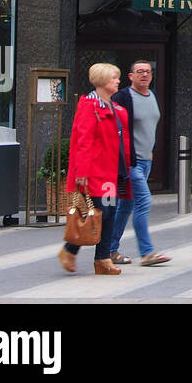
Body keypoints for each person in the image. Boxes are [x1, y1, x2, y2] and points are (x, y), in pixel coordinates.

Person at [58, 63, 132, 275]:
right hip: (95, 172)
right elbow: (84, 140)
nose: (118, 81)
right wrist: (81, 172)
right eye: (114, 78)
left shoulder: (115, 108)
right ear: (101, 81)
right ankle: (82, 254)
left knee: (107, 213)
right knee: (99, 212)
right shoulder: (89, 105)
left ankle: (99, 258)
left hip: (112, 171)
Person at [108, 60, 170, 267]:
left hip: (145, 160)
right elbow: (115, 130)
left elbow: (150, 127)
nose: (144, 75)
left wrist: (150, 152)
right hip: (130, 163)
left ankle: (109, 249)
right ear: (130, 76)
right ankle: (146, 253)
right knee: (144, 202)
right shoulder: (123, 97)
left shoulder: (152, 95)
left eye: (148, 72)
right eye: (139, 72)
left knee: (126, 206)